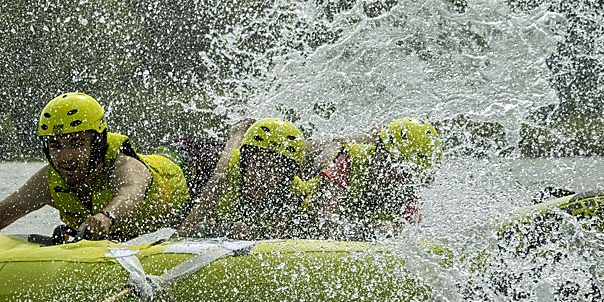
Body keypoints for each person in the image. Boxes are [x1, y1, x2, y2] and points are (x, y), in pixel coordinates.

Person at [0, 92, 190, 241]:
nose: (65, 156)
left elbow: (130, 195)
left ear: (97, 143)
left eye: (76, 143)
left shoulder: (125, 166)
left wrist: (105, 218)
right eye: (55, 146)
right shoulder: (48, 182)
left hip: (190, 168)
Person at [297, 117, 443, 240]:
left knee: (387, 228)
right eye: (399, 168)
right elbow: (327, 217)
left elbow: (412, 234)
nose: (400, 178)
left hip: (353, 225)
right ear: (381, 152)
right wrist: (359, 237)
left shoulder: (406, 191)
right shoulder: (348, 162)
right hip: (305, 214)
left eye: (408, 174)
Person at [176, 117, 309, 240]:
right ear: (245, 162)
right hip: (221, 222)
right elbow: (188, 225)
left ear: (286, 176)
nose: (262, 175)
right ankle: (237, 133)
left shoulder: (294, 192)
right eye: (259, 163)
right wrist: (179, 236)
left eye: (275, 169)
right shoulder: (228, 172)